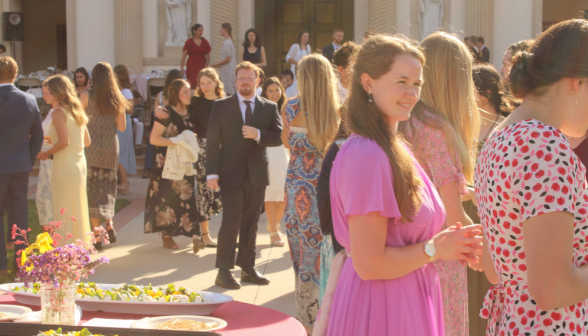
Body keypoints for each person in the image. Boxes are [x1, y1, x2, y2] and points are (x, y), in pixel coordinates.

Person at [323, 34, 482, 336]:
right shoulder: (367, 154)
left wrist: (456, 244)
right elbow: (369, 264)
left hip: (406, 299)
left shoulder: (394, 147)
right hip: (382, 307)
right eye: (402, 82)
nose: (412, 93)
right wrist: (436, 248)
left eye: (417, 84)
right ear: (368, 83)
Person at [476, 19, 588, 335]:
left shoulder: (499, 137)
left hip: (511, 323)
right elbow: (552, 289)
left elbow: (494, 270)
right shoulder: (546, 148)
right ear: (575, 82)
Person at [398, 31, 481, 336]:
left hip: (407, 252)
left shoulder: (405, 120)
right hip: (440, 261)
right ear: (456, 79)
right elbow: (455, 218)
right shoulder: (436, 129)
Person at [206, 61, 282, 290]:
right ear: (235, 81)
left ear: (257, 81)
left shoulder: (268, 107)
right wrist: (211, 172)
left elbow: (278, 137)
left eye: (250, 78)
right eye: (242, 78)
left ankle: (248, 269)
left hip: (257, 174)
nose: (246, 82)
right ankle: (223, 271)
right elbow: (213, 141)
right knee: (231, 222)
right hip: (230, 175)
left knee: (250, 224)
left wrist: (258, 134)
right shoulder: (221, 106)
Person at [282, 54, 340, 334]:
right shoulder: (339, 111)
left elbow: (286, 143)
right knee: (326, 251)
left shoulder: (291, 107)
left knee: (301, 256)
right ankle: (330, 318)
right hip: (327, 186)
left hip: (296, 189)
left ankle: (307, 323)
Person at [465, 63, 514, 336]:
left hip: (492, 217)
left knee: (489, 284)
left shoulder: (504, 129)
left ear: (483, 95)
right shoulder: (468, 127)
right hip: (470, 217)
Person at [155, 68, 224, 248]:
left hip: (225, 150)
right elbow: (173, 106)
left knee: (225, 193)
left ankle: (229, 233)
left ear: (217, 82)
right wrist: (158, 110)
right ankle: (204, 234)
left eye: (209, 82)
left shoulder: (226, 102)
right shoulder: (195, 102)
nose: (206, 86)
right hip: (201, 150)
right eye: (202, 83)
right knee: (203, 192)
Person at [144, 78, 203, 252]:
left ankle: (195, 235)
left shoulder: (191, 111)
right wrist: (177, 141)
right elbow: (154, 139)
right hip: (166, 162)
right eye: (185, 92)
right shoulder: (166, 113)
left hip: (184, 161)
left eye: (190, 90)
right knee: (165, 197)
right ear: (175, 94)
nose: (189, 94)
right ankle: (166, 234)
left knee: (187, 196)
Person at [36, 74, 92, 244]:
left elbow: (64, 141)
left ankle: (65, 249)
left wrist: (46, 153)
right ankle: (80, 248)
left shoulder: (58, 112)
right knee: (78, 208)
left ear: (58, 93)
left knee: (63, 209)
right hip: (79, 164)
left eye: (48, 93)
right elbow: (87, 141)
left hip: (64, 164)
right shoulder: (76, 111)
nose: (44, 95)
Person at [0, 56, 43, 275]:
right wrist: (28, 158)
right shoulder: (30, 100)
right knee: (20, 215)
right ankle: (21, 264)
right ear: (16, 74)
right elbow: (37, 136)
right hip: (19, 165)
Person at [80, 62, 127, 250]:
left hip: (90, 145)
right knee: (108, 185)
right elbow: (122, 127)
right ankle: (109, 223)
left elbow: (79, 121)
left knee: (92, 188)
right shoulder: (117, 98)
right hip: (109, 145)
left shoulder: (85, 96)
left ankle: (97, 235)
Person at [260, 77, 289, 247]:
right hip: (268, 152)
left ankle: (273, 223)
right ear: (265, 92)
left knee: (286, 195)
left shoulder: (286, 107)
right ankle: (273, 231)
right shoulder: (261, 108)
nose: (274, 93)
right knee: (270, 194)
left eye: (276, 90)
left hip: (284, 152)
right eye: (270, 90)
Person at [143, 70, 184, 179]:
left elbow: (156, 113)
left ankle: (147, 169)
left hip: (161, 130)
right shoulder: (182, 96)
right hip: (176, 131)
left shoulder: (160, 96)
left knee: (152, 142)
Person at [113, 64, 137, 195]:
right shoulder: (115, 90)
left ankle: (124, 183)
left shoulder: (126, 92)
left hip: (123, 123)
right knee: (117, 152)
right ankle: (122, 181)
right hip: (115, 122)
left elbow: (130, 109)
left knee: (120, 152)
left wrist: (118, 103)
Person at [181, 23, 211, 89]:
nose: (201, 32)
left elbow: (208, 56)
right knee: (192, 85)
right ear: (194, 31)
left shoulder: (205, 42)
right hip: (192, 67)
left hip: (202, 66)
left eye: (202, 30)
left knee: (202, 84)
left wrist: (206, 67)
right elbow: (183, 57)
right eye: (200, 30)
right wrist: (181, 70)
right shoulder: (189, 42)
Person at [211, 23, 237, 95]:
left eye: (221, 29)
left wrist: (217, 64)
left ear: (225, 30)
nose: (220, 31)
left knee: (228, 91)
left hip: (228, 71)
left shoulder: (227, 42)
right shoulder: (229, 41)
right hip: (229, 68)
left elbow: (228, 58)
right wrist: (220, 64)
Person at [131, 90, 145, 155]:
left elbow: (141, 117)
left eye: (139, 100)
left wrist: (132, 120)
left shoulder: (141, 103)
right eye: (137, 101)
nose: (139, 102)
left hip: (133, 125)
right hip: (124, 126)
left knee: (140, 124)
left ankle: (137, 148)